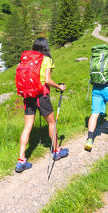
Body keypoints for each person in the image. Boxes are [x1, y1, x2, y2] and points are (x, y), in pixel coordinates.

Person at [16, 37, 69, 173]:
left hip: (28, 95)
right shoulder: (46, 60)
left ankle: (21, 160)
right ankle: (57, 151)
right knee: (52, 123)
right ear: (46, 47)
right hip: (41, 95)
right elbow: (47, 80)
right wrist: (59, 87)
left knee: (27, 127)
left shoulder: (28, 58)